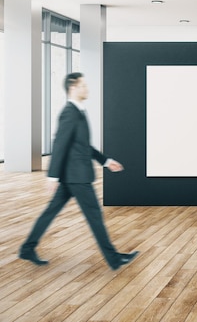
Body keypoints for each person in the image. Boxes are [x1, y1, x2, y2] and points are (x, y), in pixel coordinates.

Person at [19, 72, 138, 270]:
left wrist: (106, 161)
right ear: (73, 87)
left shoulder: (78, 112)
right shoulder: (69, 113)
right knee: (94, 216)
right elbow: (59, 145)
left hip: (72, 175)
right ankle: (114, 258)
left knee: (51, 211)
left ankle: (27, 248)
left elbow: (82, 146)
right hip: (76, 176)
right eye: (83, 85)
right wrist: (52, 175)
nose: (87, 88)